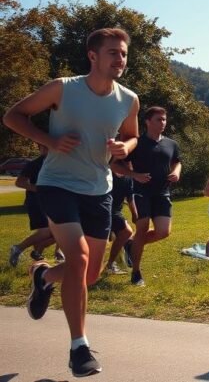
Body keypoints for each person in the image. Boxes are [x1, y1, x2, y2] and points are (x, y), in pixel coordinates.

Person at [3, 27, 140, 377]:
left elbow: (133, 134)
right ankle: (79, 348)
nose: (120, 59)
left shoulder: (129, 99)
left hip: (99, 190)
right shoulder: (63, 88)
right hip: (57, 184)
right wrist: (48, 140)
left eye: (123, 53)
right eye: (113, 52)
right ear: (93, 56)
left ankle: (44, 276)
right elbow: (14, 116)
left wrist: (126, 148)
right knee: (78, 258)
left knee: (89, 274)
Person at [121, 106, 181, 287]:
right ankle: (136, 273)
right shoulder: (137, 143)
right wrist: (134, 175)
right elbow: (116, 166)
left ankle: (131, 245)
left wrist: (176, 172)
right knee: (142, 228)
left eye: (164, 119)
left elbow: (177, 162)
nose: (162, 122)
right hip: (141, 192)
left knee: (163, 231)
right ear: (147, 122)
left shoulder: (171, 144)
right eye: (158, 119)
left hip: (162, 192)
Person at [9, 145, 63, 267]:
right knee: (45, 232)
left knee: (60, 232)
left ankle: (37, 253)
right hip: (36, 202)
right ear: (40, 148)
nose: (48, 149)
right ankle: (18, 248)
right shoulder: (34, 164)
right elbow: (19, 182)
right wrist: (40, 189)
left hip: (52, 203)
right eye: (44, 147)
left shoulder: (57, 163)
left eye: (49, 147)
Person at [103, 165, 136, 274]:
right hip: (103, 209)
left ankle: (111, 264)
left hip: (115, 211)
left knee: (126, 233)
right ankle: (110, 264)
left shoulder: (128, 177)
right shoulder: (106, 173)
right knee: (126, 233)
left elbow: (130, 198)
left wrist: (135, 214)